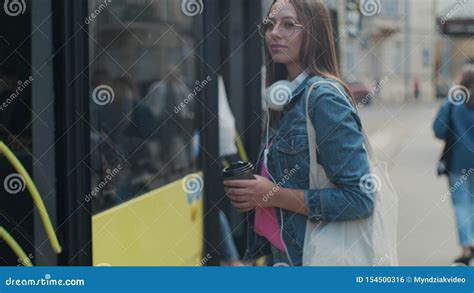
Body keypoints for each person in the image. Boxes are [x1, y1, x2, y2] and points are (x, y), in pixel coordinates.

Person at [223, 0, 374, 266]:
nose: (275, 32)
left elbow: (360, 198)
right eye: (270, 25)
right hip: (282, 256)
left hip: (314, 259)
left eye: (289, 25)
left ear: (314, 33)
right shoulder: (284, 96)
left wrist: (272, 193)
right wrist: (254, 191)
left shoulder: (323, 97)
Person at [433, 64, 474, 265]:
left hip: (458, 161)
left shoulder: (453, 100)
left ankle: (467, 248)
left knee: (461, 204)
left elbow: (438, 129)